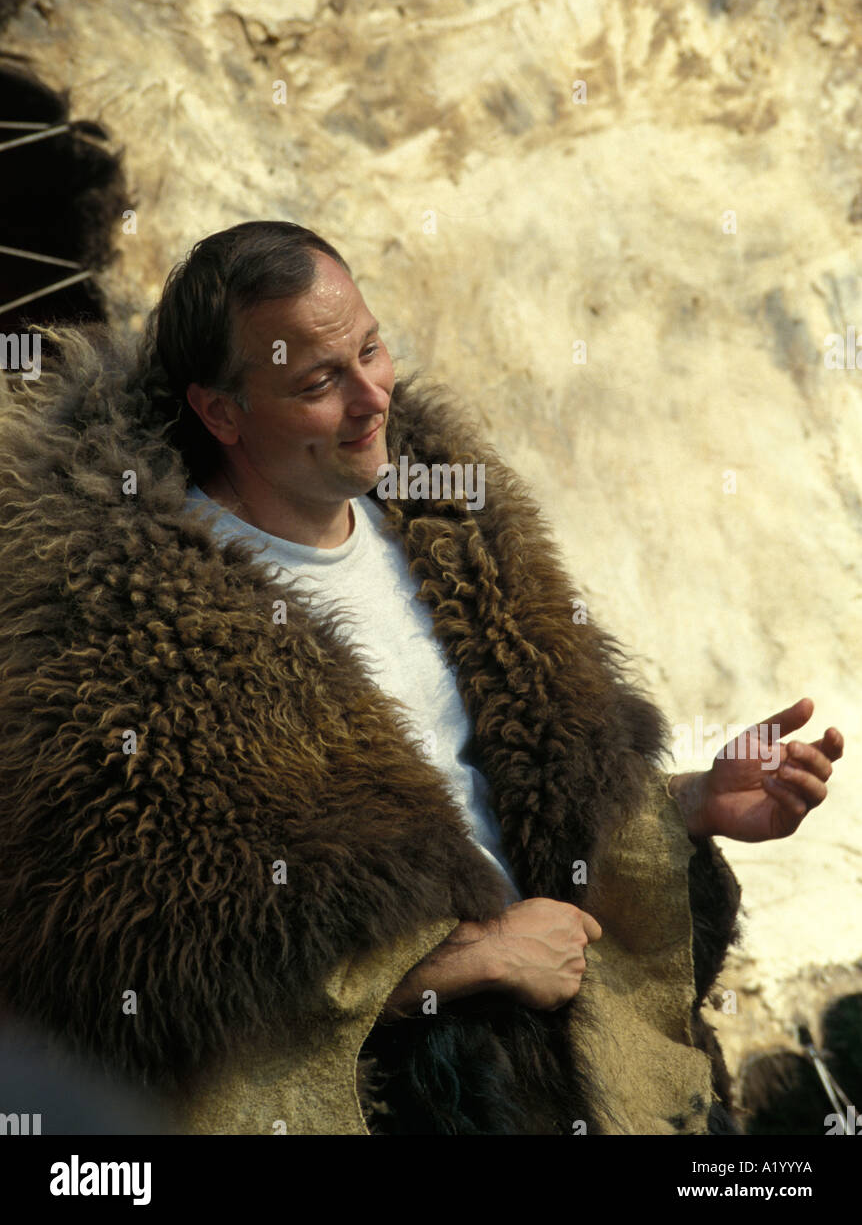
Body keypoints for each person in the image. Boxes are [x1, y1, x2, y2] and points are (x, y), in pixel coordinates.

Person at [0, 220, 842, 1135]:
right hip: (404, 1101)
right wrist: (461, 964)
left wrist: (689, 803)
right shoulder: (112, 635)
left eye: (371, 349)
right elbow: (130, 973)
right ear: (220, 412)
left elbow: (516, 806)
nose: (371, 399)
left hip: (587, 1068)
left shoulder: (456, 528)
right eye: (319, 382)